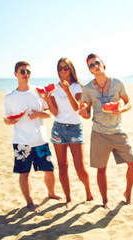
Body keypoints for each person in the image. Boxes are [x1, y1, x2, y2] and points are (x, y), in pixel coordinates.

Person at [79, 53, 133, 209]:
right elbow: (87, 114)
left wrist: (121, 110)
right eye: (91, 65)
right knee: (101, 169)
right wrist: (82, 113)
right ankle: (105, 200)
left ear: (103, 64)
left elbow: (129, 102)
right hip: (99, 133)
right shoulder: (87, 89)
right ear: (90, 70)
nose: (95, 66)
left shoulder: (118, 83)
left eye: (97, 62)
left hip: (118, 131)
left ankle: (128, 192)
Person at [4, 61, 61, 213]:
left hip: (40, 139)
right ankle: (29, 202)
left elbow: (49, 113)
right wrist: (12, 121)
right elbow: (8, 119)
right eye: (22, 71)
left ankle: (51, 193)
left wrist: (37, 114)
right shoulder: (9, 97)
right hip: (21, 142)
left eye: (28, 72)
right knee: (24, 174)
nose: (25, 74)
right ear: (15, 74)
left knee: (49, 171)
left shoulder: (38, 91)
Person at [40, 58, 93, 209]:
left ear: (71, 70)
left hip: (75, 128)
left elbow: (77, 108)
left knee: (79, 167)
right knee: (62, 166)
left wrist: (67, 90)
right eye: (60, 69)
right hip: (58, 128)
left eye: (66, 68)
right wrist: (49, 101)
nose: (63, 71)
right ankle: (68, 198)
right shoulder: (54, 88)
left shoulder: (78, 87)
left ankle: (88, 191)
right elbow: (55, 113)